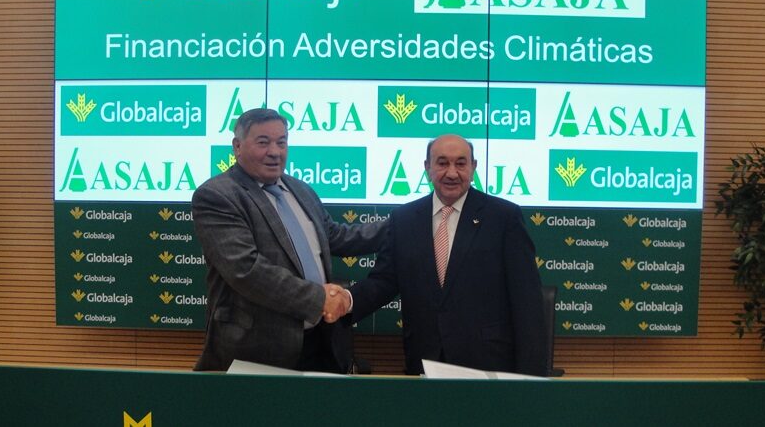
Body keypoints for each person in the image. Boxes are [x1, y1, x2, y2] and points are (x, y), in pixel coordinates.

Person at [191, 108, 383, 373]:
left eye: (281, 142)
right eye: (263, 142)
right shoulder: (217, 195)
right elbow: (246, 270)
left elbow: (335, 237)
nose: (275, 152)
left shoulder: (300, 189)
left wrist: (406, 222)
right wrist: (319, 298)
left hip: (321, 341)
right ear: (237, 146)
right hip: (257, 350)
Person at [342, 134, 549, 376]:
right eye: (442, 163)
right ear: (427, 167)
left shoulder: (504, 217)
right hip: (424, 361)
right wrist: (345, 300)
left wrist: (531, 378)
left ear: (473, 167)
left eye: (461, 163)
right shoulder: (404, 219)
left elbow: (527, 300)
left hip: (489, 365)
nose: (452, 173)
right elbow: (384, 281)